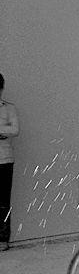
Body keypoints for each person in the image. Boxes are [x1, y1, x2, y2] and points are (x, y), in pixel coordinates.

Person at [0, 73, 19, 251]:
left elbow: (15, 129)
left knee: (4, 200)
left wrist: (2, 131)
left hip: (5, 159)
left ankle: (3, 239)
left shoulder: (8, 109)